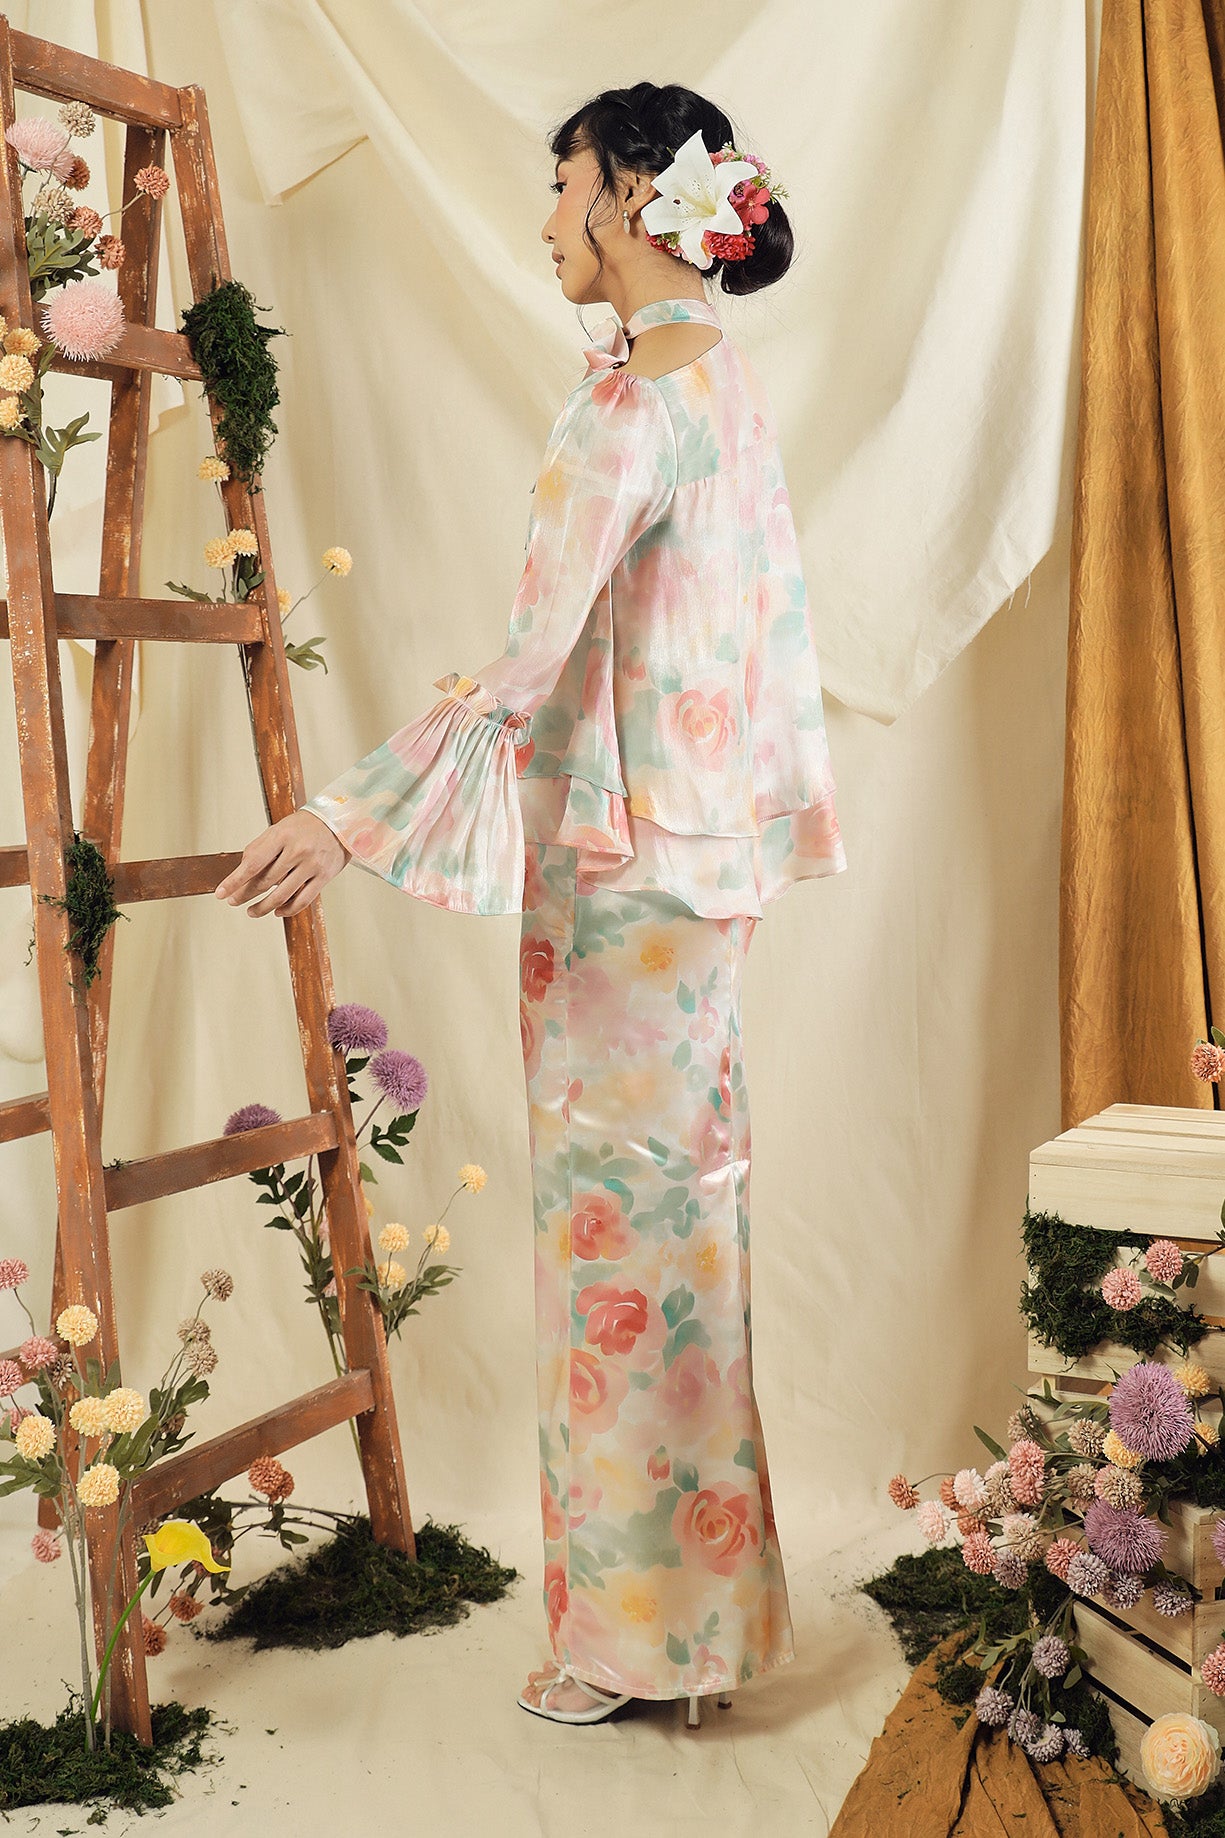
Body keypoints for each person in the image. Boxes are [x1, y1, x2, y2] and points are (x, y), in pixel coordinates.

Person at [213, 81, 847, 1729]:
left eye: (561, 186)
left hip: (621, 880)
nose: (545, 219)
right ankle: (698, 1636)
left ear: (634, 193)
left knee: (615, 1243)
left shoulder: (633, 405)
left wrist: (344, 815)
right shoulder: (719, 383)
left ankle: (640, 1646)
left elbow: (524, 664)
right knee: (684, 1220)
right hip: (700, 873)